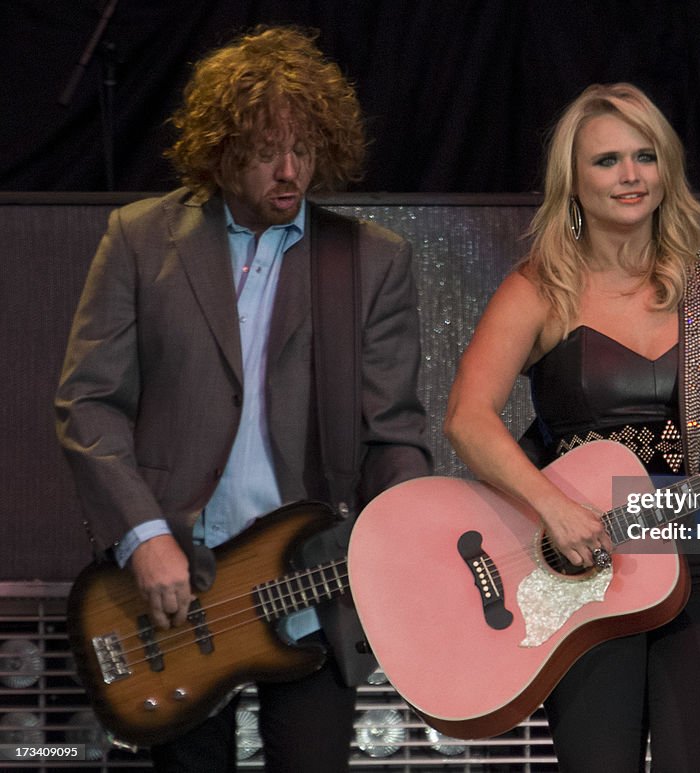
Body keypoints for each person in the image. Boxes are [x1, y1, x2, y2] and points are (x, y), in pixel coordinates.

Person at [55, 26, 431, 773]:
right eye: (265, 150)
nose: (289, 171)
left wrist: (410, 520)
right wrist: (143, 534)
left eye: (305, 148)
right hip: (175, 586)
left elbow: (393, 432)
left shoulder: (371, 260)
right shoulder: (138, 238)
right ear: (221, 147)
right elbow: (88, 403)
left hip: (311, 579)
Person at [444, 83, 700, 772]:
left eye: (645, 156)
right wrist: (552, 508)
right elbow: (467, 419)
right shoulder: (538, 288)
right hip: (589, 565)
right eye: (607, 161)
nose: (631, 176)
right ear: (573, 178)